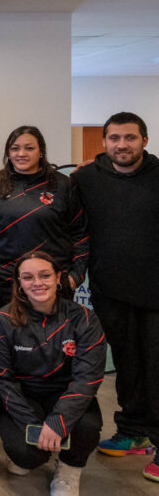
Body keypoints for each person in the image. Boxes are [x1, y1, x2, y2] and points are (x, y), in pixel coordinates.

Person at [70, 111, 159, 481]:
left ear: (145, 141)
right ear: (104, 142)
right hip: (110, 292)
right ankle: (134, 431)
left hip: (156, 295)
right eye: (115, 138)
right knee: (127, 365)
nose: (122, 145)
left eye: (130, 137)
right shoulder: (86, 178)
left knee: (156, 367)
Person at [0, 252, 105, 495]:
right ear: (19, 283)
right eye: (28, 277)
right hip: (25, 395)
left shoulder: (84, 318)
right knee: (27, 453)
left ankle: (69, 470)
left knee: (87, 427)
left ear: (58, 277)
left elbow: (87, 378)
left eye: (45, 275)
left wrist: (59, 421)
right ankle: (26, 454)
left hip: (65, 393)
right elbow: (2, 381)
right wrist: (33, 426)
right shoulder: (3, 320)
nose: (37, 283)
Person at [0, 126, 89, 313]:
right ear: (8, 152)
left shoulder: (64, 185)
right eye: (15, 148)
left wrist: (75, 276)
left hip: (53, 280)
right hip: (4, 281)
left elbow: (80, 232)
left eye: (29, 148)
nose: (21, 154)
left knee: (53, 331)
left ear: (41, 152)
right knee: (9, 330)